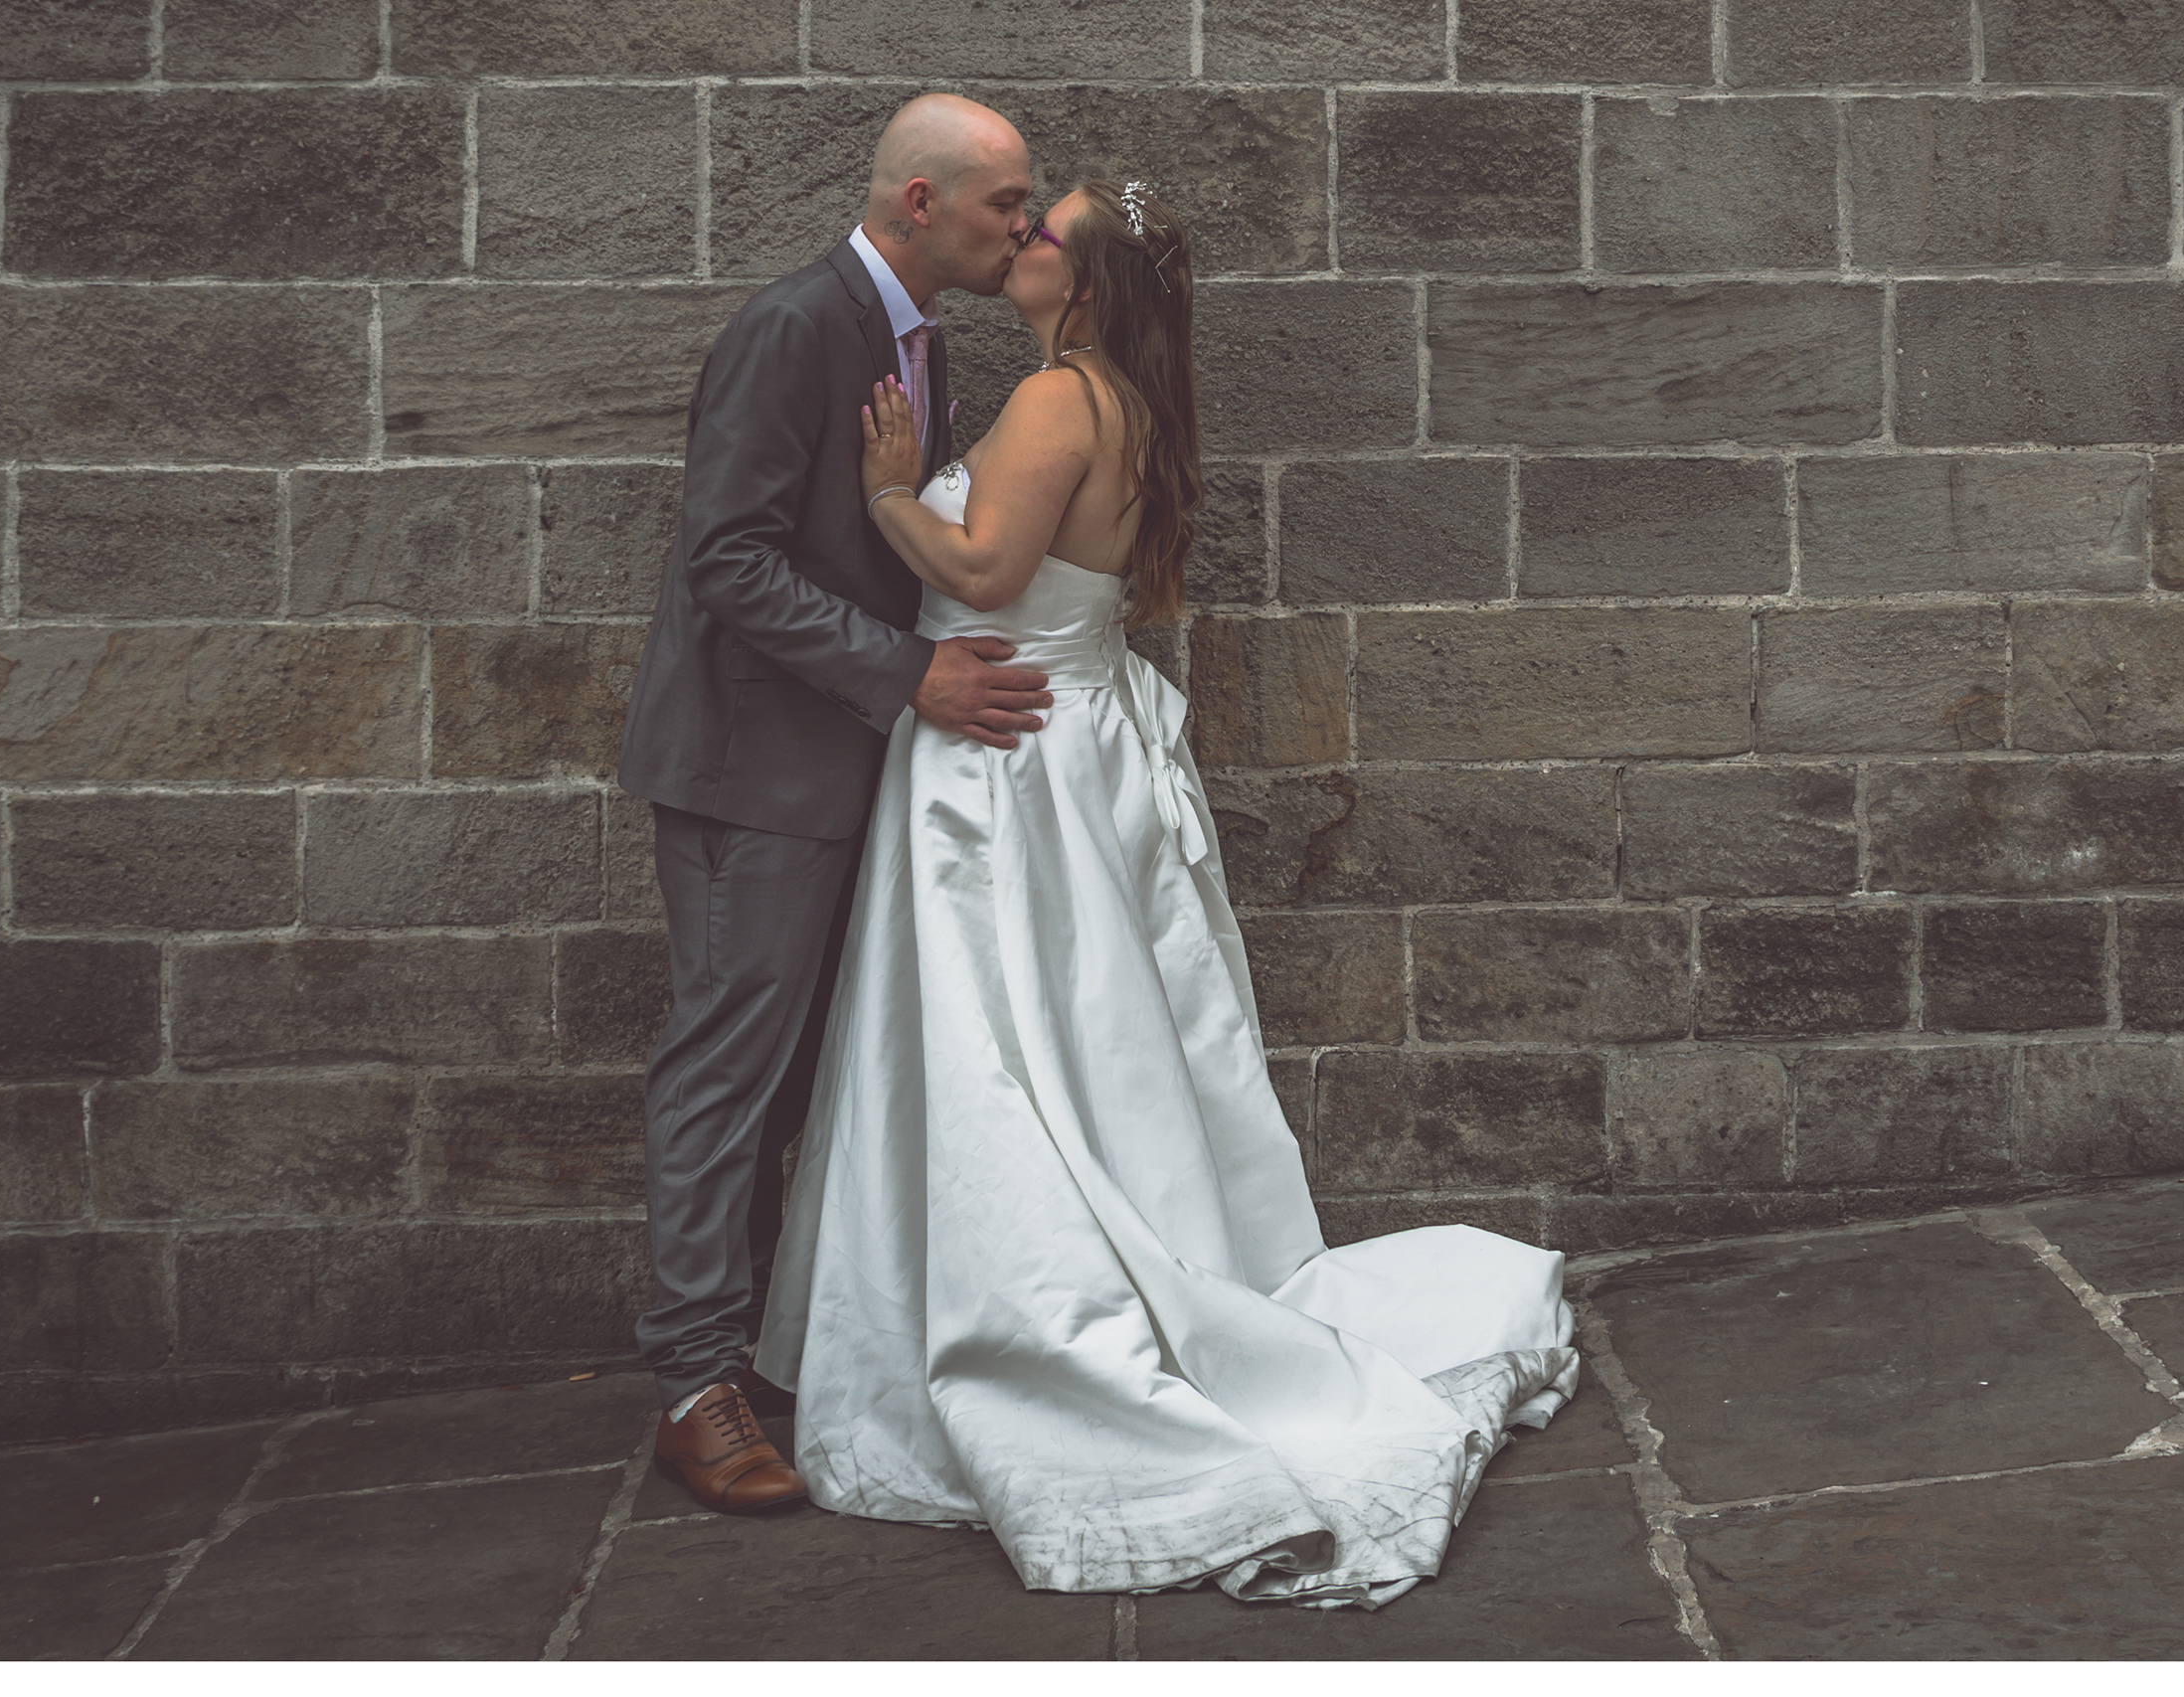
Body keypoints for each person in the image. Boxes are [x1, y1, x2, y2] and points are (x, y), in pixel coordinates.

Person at [753, 180, 1579, 1607]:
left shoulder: (1060, 399)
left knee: (1004, 1045)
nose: (1023, 238)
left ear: (1085, 282)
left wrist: (888, 491)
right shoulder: (1126, 400)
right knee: (1087, 1039)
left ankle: (1030, 1315)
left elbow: (985, 571)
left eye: (1046, 232)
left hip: (1004, 760)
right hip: (1074, 743)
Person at [615, 94, 1059, 1515]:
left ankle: (744, 1353)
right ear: (921, 204)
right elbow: (727, 562)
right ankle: (692, 1386)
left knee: (792, 1078)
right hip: (753, 772)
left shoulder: (917, 339)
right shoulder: (796, 327)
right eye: (1005, 202)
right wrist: (910, 675)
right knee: (728, 1070)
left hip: (839, 767)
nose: (1025, 227)